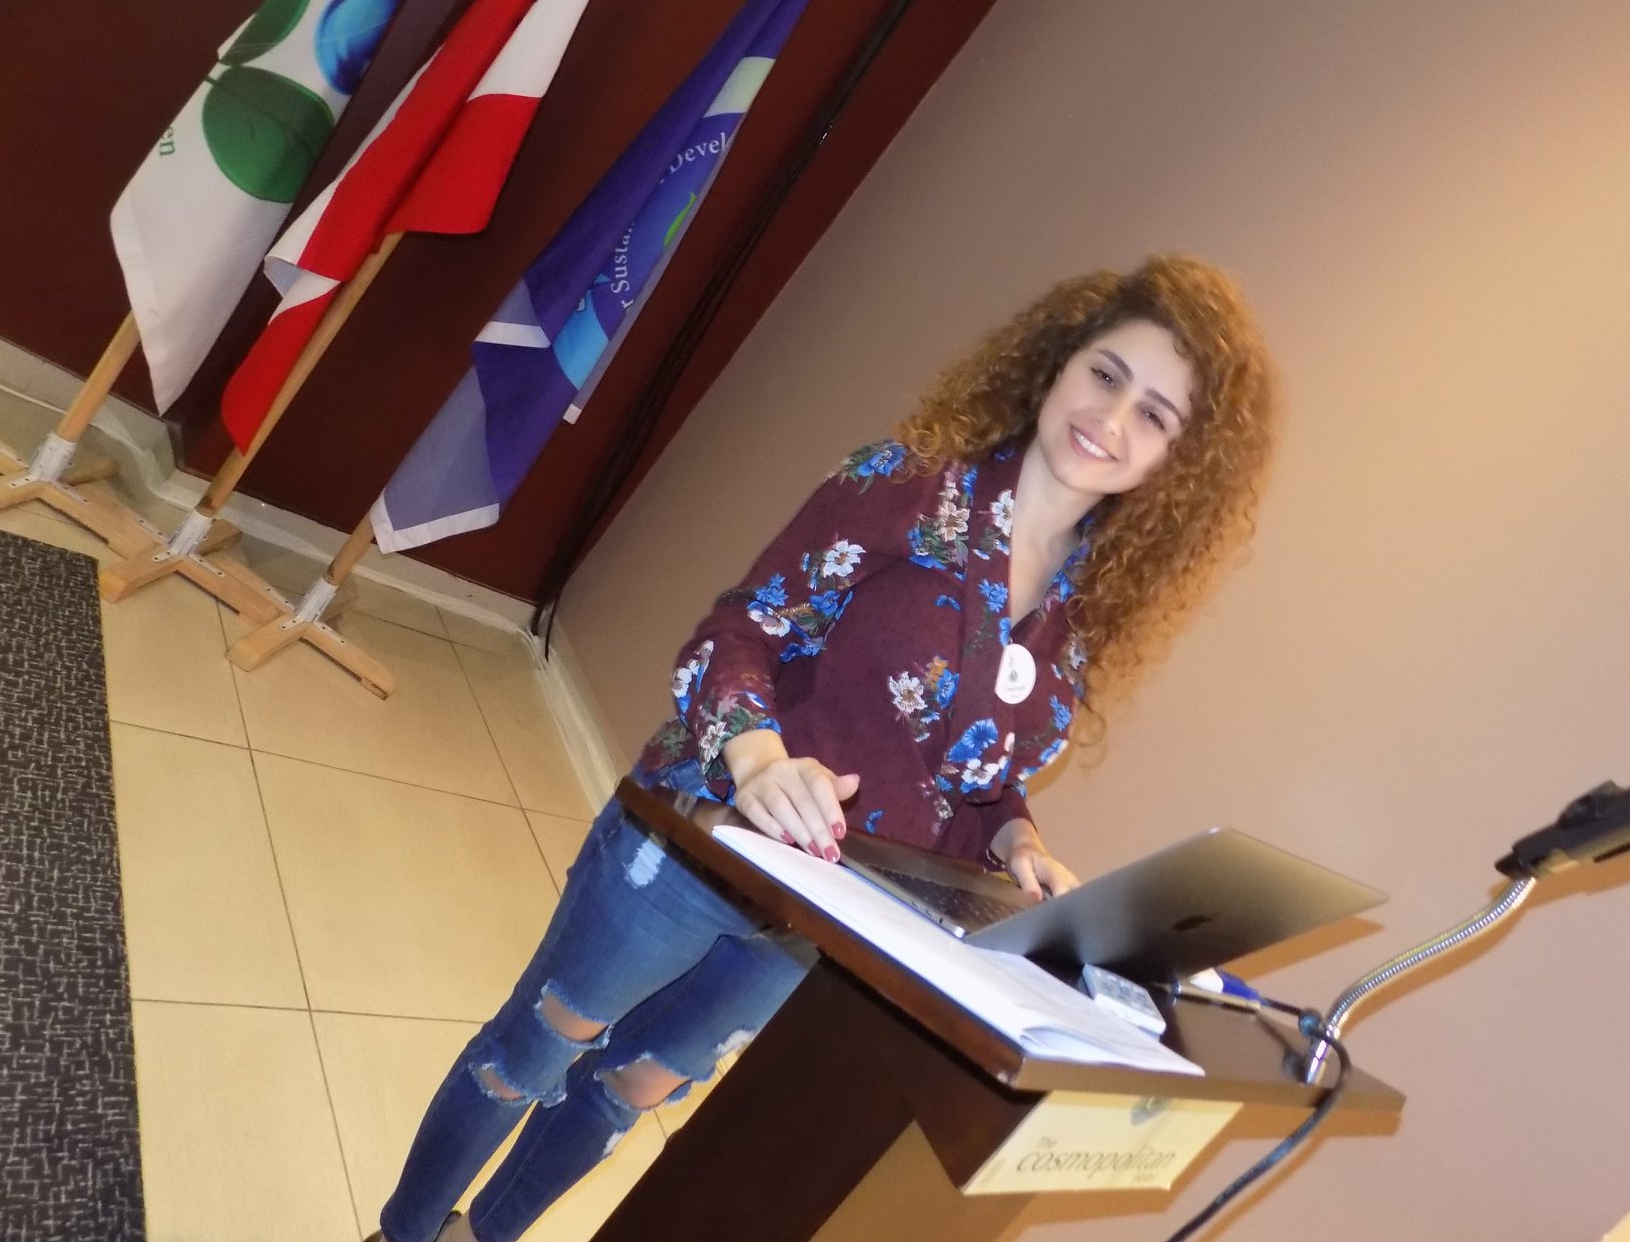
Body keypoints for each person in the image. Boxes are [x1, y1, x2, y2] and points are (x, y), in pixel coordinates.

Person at [366, 254, 1280, 1242]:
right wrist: (758, 756)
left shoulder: (1083, 614)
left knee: (627, 1091)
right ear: (1060, 360)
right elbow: (739, 629)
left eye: (1155, 414)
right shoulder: (914, 484)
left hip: (832, 913)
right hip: (705, 843)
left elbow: (976, 774)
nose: (1112, 418)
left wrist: (1018, 840)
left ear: (1174, 462)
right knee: (531, 1055)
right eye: (1106, 373)